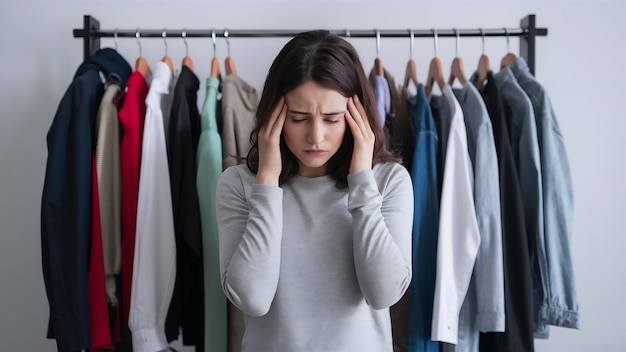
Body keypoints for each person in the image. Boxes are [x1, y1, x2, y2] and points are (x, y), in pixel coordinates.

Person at [215, 30, 414, 351]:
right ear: (274, 115)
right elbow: (252, 299)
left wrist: (362, 181)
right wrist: (266, 180)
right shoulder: (237, 184)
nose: (316, 136)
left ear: (356, 117)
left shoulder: (389, 181)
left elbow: (384, 293)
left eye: (332, 119)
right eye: (299, 118)